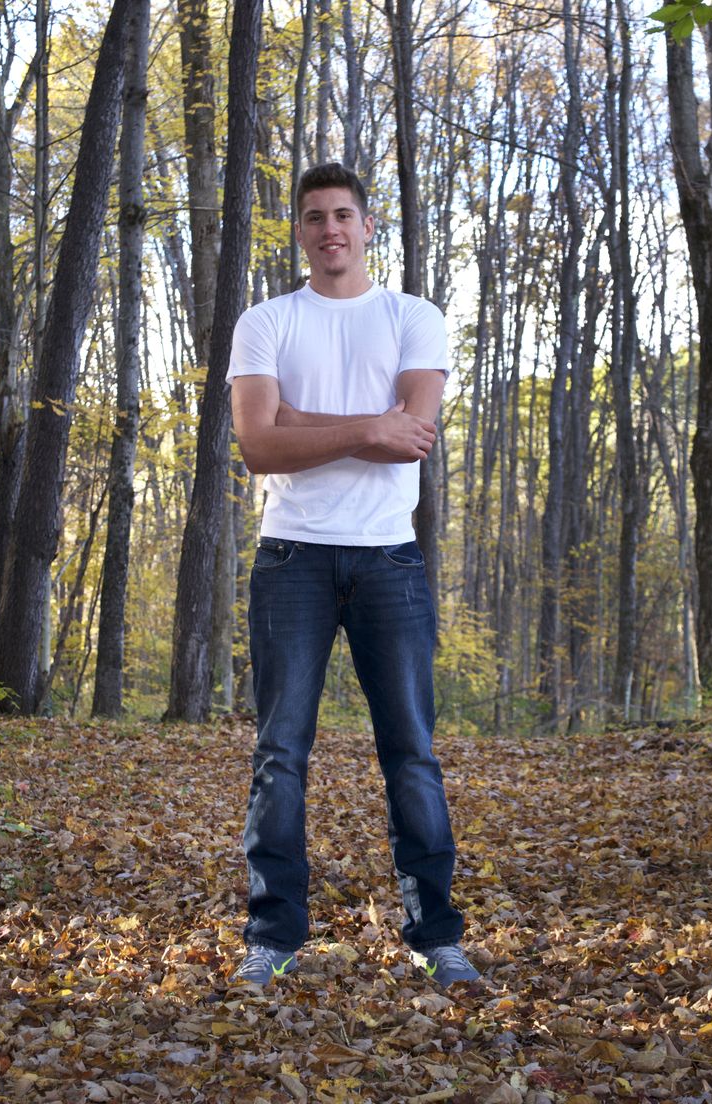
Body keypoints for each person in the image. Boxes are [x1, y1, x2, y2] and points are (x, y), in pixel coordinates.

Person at [226, 162, 478, 989]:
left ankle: (435, 934)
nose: (329, 228)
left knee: (410, 752)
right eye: (313, 217)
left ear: (368, 227)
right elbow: (258, 446)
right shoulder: (265, 322)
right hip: (290, 557)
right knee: (280, 755)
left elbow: (413, 433)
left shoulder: (415, 316)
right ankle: (274, 934)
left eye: (343, 215)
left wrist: (307, 420)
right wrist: (367, 424)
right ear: (298, 232)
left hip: (389, 561)